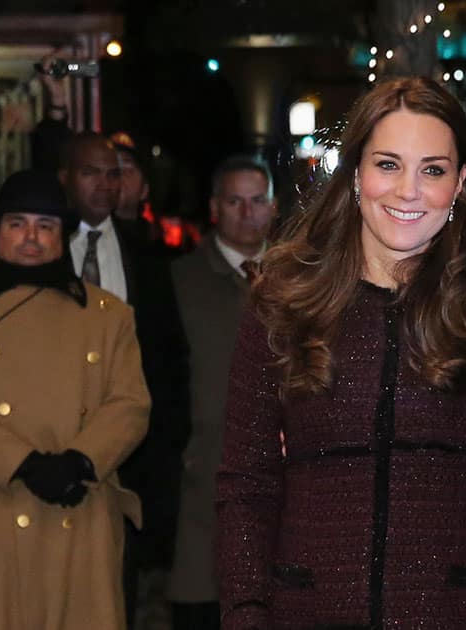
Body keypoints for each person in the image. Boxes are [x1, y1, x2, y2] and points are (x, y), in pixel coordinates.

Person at [216, 76, 466, 630]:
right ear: (355, 172)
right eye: (388, 164)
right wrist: (246, 615)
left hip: (456, 614)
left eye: (433, 169)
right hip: (306, 612)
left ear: (459, 183)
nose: (408, 190)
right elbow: (246, 485)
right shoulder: (283, 303)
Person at [0, 169, 150, 629]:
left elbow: (130, 402)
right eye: (17, 223)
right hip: (3, 506)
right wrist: (22, 463)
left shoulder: (108, 315)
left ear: (62, 237)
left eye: (45, 226)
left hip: (80, 505)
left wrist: (80, 462)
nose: (31, 238)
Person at [58, 132, 190, 628]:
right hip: (56, 447)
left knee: (124, 588)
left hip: (136, 457)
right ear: (66, 180)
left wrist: (172, 442)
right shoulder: (43, 251)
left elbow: (171, 358)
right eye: (92, 172)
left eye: (114, 173)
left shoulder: (150, 255)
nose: (106, 185)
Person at [168, 154, 278, 630]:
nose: (247, 212)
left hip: (288, 482)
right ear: (215, 207)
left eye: (257, 201)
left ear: (273, 208)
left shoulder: (305, 277)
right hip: (202, 481)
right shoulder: (180, 280)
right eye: (235, 201)